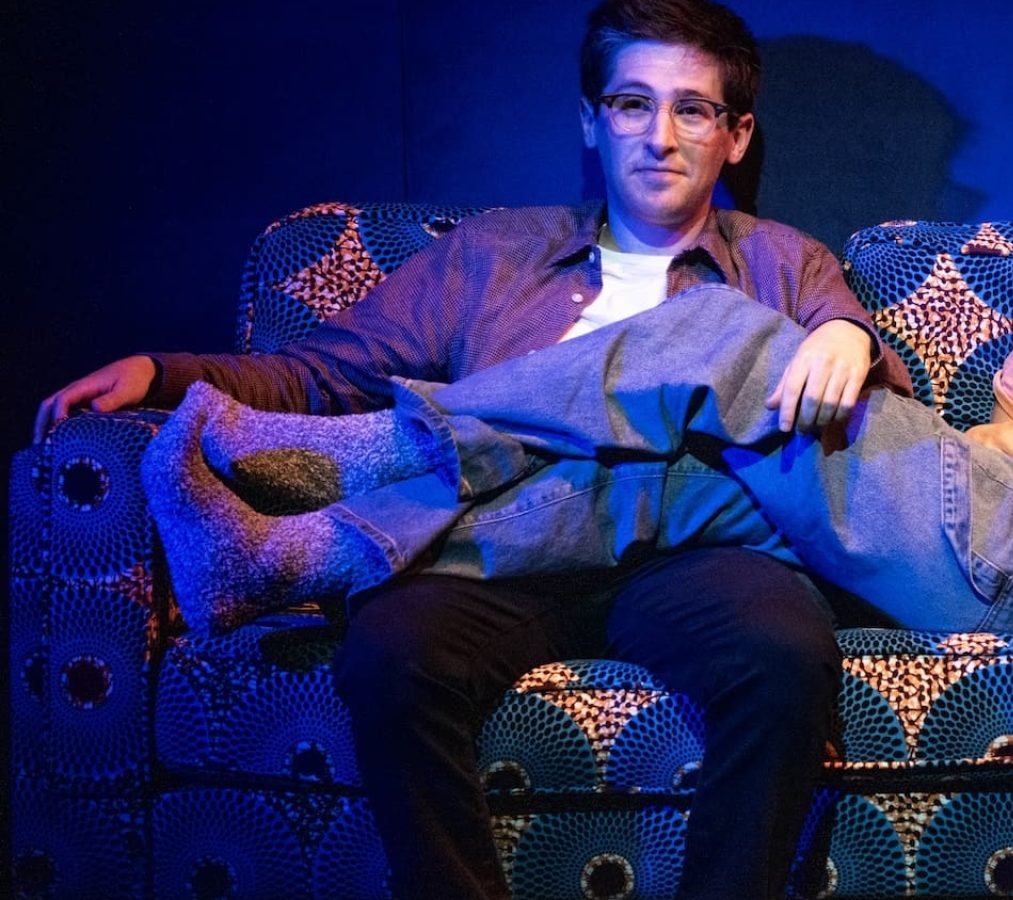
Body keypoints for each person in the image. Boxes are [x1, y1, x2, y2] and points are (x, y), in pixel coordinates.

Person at [35, 2, 913, 898]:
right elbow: (318, 375)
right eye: (630, 104)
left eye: (692, 109)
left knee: (782, 654)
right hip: (493, 556)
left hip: (696, 557)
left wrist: (847, 334)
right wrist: (159, 372)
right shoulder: (493, 255)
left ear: (735, 135)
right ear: (590, 121)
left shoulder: (783, 262)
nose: (660, 136)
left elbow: (893, 443)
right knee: (389, 650)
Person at [140, 80, 1013, 640]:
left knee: (726, 334)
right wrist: (988, 448)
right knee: (674, 482)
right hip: (991, 534)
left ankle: (361, 451)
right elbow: (984, 471)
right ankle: (287, 557)